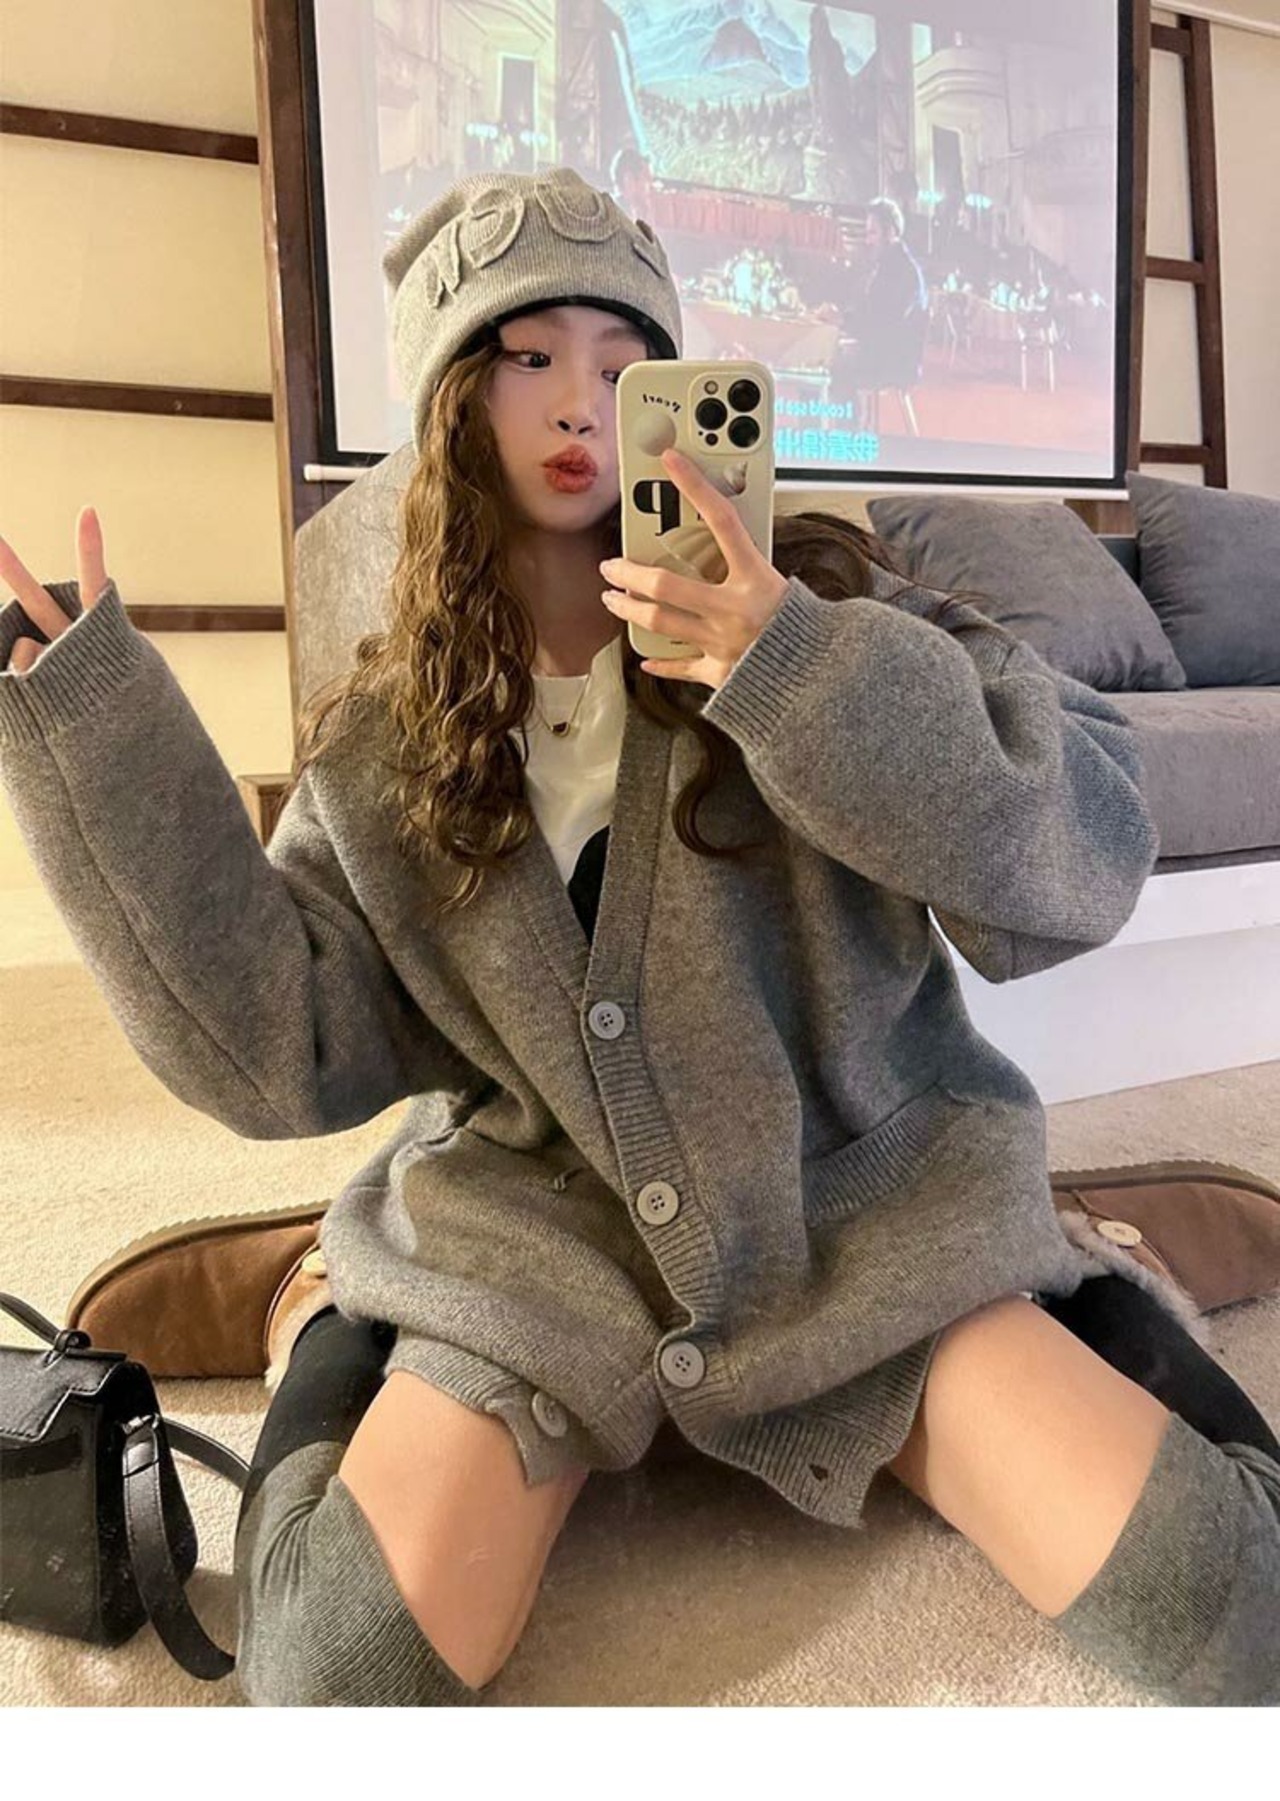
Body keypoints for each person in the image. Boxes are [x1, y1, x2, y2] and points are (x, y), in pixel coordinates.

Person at [0, 167, 1277, 1708]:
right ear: (452, 403)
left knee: (1242, 1623)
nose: (579, 402)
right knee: (335, 1674)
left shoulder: (840, 603)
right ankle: (331, 1304)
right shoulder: (387, 745)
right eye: (528, 355)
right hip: (535, 1252)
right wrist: (98, 754)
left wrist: (793, 665)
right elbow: (285, 1051)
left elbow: (1083, 856)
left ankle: (1079, 1265)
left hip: (863, 1223)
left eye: (626, 364)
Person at [836, 196, 930, 429]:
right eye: (867, 233)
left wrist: (843, 322)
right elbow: (869, 312)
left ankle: (846, 438)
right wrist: (843, 319)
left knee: (833, 367)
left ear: (892, 232)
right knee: (825, 357)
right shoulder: (886, 265)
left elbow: (882, 323)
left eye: (873, 233)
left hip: (894, 360)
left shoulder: (904, 271)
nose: (867, 241)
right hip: (882, 349)